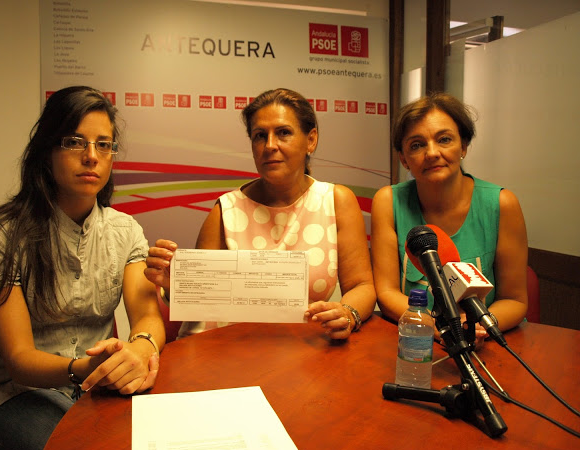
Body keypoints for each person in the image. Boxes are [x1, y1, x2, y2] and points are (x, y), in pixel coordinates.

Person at [0, 86, 165, 450]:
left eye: (103, 144)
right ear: (47, 150)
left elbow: (146, 315)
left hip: (96, 390)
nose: (91, 155)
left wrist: (141, 348)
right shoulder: (5, 234)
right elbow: (19, 360)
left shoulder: (125, 231)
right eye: (75, 141)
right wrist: (85, 368)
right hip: (16, 398)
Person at [145, 88, 376, 340]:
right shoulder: (226, 210)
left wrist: (347, 312)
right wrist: (176, 285)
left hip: (302, 348)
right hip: (222, 346)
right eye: (259, 136)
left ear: (311, 140)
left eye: (283, 133)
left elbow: (361, 286)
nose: (270, 145)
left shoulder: (335, 201)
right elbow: (198, 302)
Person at [371, 92, 528, 343]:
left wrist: (474, 328)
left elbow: (514, 300)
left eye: (444, 140)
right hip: (413, 341)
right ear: (403, 158)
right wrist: (436, 327)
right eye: (417, 145)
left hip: (484, 343)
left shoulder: (502, 203)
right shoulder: (388, 202)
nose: (432, 153)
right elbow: (387, 292)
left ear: (463, 146)